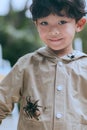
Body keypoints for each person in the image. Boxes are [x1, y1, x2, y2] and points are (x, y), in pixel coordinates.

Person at [0, 0, 87, 129]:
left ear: (79, 24)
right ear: (36, 24)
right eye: (44, 23)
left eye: (62, 22)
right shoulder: (26, 65)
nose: (53, 31)